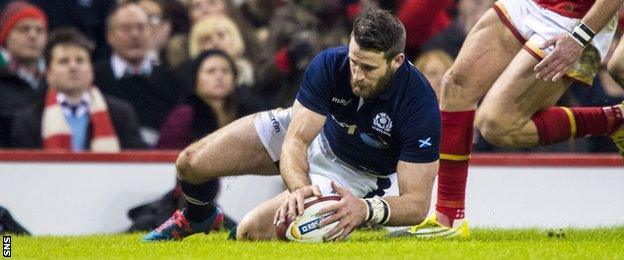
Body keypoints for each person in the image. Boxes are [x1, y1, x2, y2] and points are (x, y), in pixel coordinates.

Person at [143, 9, 440, 241]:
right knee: (190, 163)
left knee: (250, 232)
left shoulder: (419, 104)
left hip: (352, 174)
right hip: (315, 133)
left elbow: (417, 204)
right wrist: (301, 190)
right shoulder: (329, 64)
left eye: (368, 67)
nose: (357, 75)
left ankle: (357, 223)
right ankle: (199, 216)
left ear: (397, 61)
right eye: (353, 62)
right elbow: (296, 141)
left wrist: (365, 210)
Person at [403, 0, 624, 238]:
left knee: (497, 125)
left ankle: (613, 120)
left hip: (575, 21)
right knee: (456, 85)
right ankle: (447, 220)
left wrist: (581, 37)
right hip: (529, 4)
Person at [11, 28, 145, 151]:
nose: (73, 67)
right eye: (64, 61)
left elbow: (136, 163)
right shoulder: (28, 120)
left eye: (80, 60)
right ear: (48, 74)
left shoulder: (121, 114)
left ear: (91, 70)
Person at [94, 3, 182, 148]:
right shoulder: (94, 78)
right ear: (109, 36)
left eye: (141, 27)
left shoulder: (172, 81)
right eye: (126, 29)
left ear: (151, 32)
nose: (135, 35)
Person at [0, 0, 48, 148]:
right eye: (23, 29)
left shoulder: (56, 78)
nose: (33, 36)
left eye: (39, 30)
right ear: (6, 35)